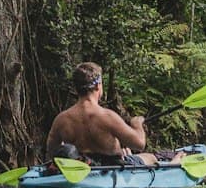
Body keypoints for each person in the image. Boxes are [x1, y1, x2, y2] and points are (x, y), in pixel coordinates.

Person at [45, 62, 183, 167]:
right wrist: (137, 124)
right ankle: (173, 165)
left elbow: (51, 151)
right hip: (112, 166)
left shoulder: (62, 119)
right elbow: (139, 144)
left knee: (128, 153)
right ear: (98, 86)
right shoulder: (107, 116)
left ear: (76, 88)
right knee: (150, 157)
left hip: (83, 167)